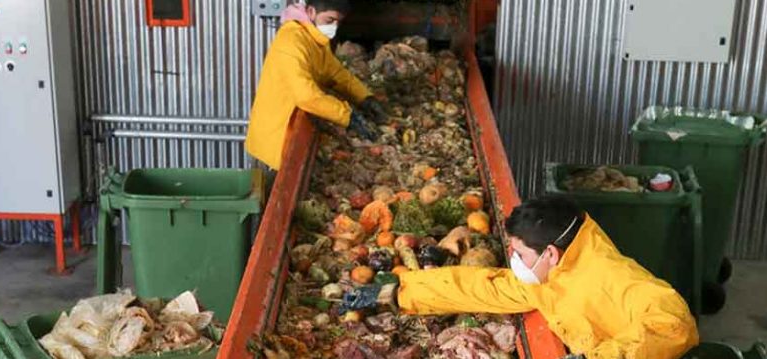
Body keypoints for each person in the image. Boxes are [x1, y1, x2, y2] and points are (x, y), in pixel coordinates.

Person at [398, 196, 699, 359]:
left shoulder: (614, 277)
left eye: (520, 254)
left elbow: (674, 327)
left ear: (550, 254)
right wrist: (401, 292)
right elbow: (487, 288)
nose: (515, 262)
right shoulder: (554, 273)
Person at [246, 0, 385, 172]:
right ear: (311, 12)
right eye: (329, 20)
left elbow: (335, 73)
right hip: (276, 136)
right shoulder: (291, 41)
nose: (333, 27)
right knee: (271, 190)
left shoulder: (314, 38)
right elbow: (306, 96)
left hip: (291, 127)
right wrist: (348, 116)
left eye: (338, 22)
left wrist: (365, 97)